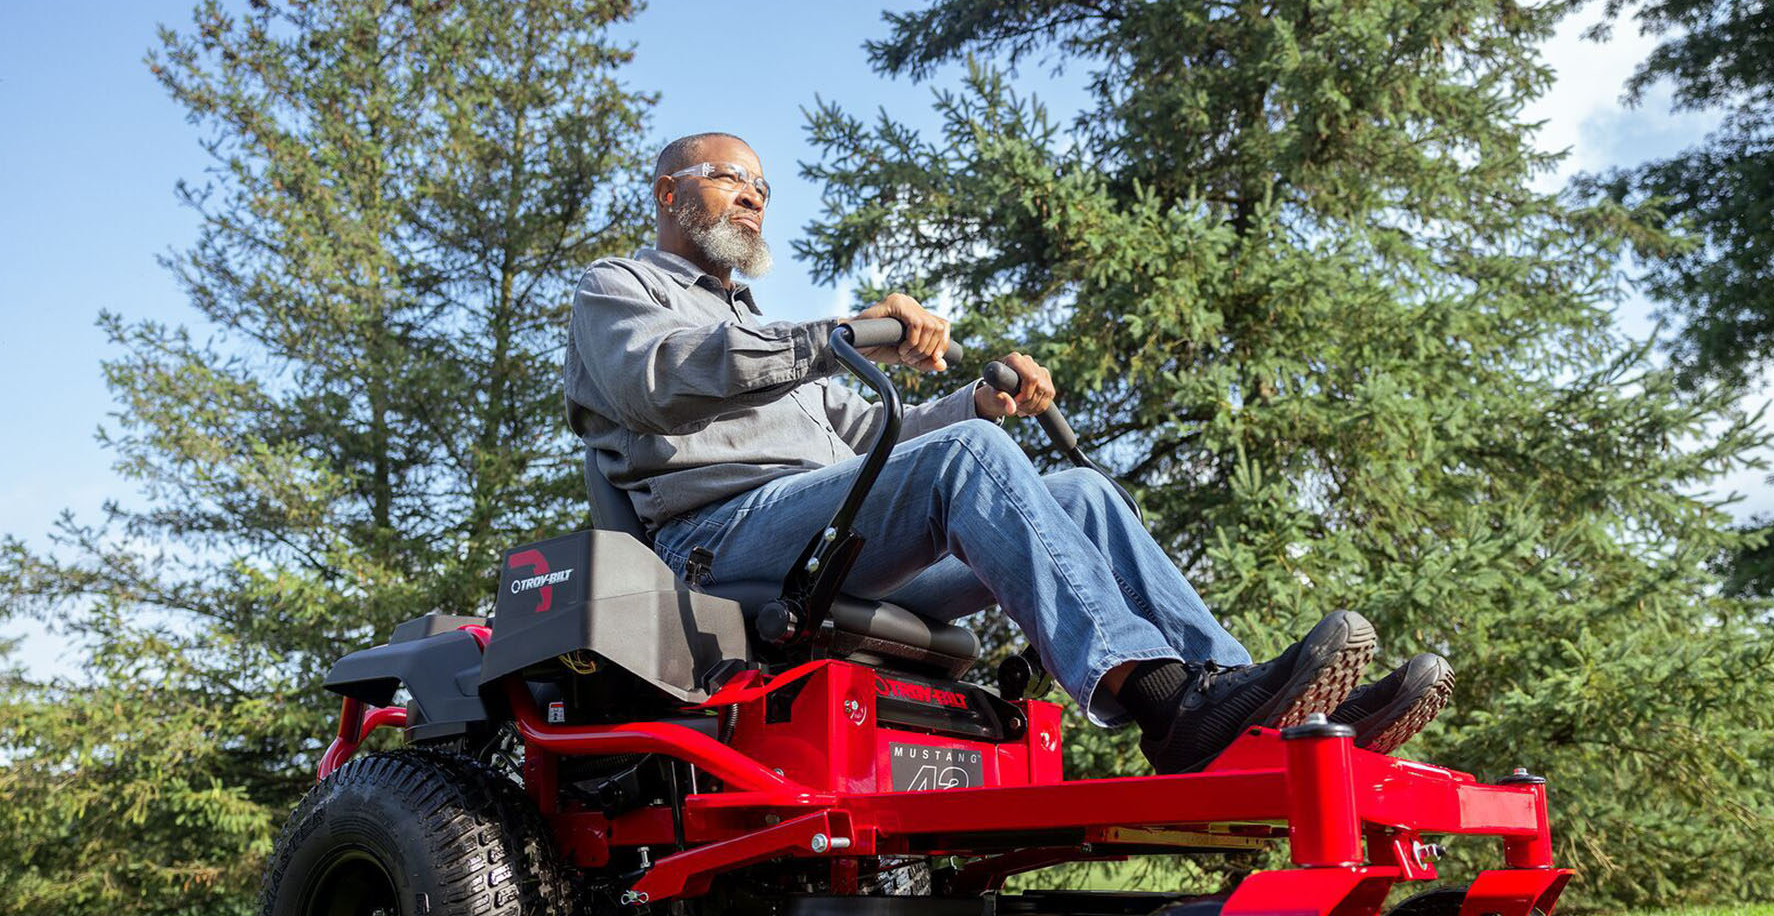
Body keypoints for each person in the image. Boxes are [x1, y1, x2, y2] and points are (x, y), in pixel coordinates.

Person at [565, 132, 1454, 772]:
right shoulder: (622, 289)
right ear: (668, 194)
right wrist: (840, 333)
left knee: (1079, 496)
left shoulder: (770, 330)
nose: (753, 195)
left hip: (826, 538)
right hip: (719, 546)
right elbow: (659, 379)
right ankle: (1164, 703)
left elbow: (877, 440)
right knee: (969, 455)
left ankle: (1261, 718)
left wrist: (975, 402)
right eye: (729, 178)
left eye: (762, 184)